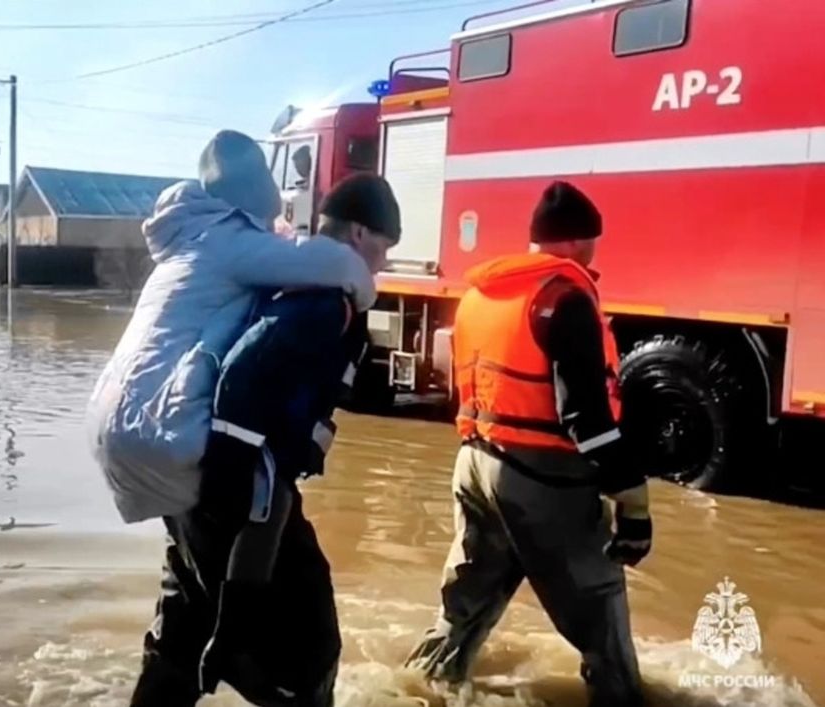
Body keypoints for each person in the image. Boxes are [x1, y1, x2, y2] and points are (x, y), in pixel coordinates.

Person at [130, 174, 401, 706]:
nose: (384, 263)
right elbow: (244, 377)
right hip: (239, 488)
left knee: (185, 631)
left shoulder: (280, 277)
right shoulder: (325, 300)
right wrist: (231, 490)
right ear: (361, 235)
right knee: (310, 648)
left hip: (195, 475)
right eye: (385, 247)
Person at [401, 181, 651, 707]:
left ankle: (415, 691)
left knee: (463, 608)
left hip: (475, 459)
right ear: (583, 242)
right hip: (541, 476)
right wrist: (634, 502)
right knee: (599, 610)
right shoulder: (566, 300)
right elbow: (586, 417)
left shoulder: (480, 296)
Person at [86, 130, 377, 528]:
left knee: (190, 568)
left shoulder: (185, 243)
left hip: (115, 431)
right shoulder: (229, 239)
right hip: (167, 438)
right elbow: (340, 267)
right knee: (280, 567)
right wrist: (363, 298)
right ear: (257, 198)